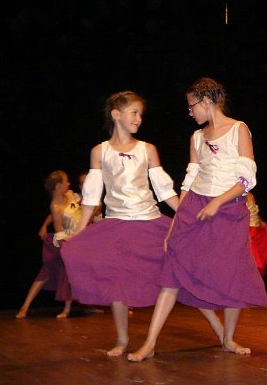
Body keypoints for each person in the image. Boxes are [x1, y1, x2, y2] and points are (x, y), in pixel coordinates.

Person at [128, 77, 267, 361]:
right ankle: (150, 343)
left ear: (207, 101)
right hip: (195, 205)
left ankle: (228, 339)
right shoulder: (196, 137)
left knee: (233, 273)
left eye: (192, 105)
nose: (190, 112)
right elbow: (189, 180)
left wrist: (218, 201)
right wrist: (175, 224)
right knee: (172, 270)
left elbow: (247, 179)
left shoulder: (238, 129)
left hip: (229, 210)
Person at [60, 91, 183, 357]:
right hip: (116, 225)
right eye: (134, 113)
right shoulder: (99, 151)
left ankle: (220, 331)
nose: (139, 118)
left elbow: (164, 191)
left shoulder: (147, 149)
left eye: (141, 114)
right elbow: (92, 197)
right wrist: (80, 232)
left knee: (177, 268)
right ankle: (122, 339)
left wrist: (188, 214)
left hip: (148, 221)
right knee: (116, 281)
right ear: (116, 114)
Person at [16, 170, 79, 319]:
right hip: (64, 242)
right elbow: (59, 231)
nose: (69, 183)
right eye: (66, 181)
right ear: (58, 186)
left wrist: (44, 225)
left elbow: (73, 211)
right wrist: (71, 244)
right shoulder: (55, 206)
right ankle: (25, 306)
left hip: (79, 238)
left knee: (83, 272)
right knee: (48, 272)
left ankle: (89, 304)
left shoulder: (70, 195)